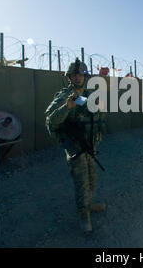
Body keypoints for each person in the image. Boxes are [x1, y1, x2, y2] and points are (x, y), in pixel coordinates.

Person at [45, 58, 106, 233]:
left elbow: (97, 119)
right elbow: (50, 122)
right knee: (82, 182)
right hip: (75, 148)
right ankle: (84, 214)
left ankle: (89, 204)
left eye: (81, 75)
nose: (78, 78)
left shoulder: (87, 95)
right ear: (69, 77)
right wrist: (67, 107)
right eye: (74, 75)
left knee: (92, 179)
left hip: (90, 146)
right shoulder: (64, 97)